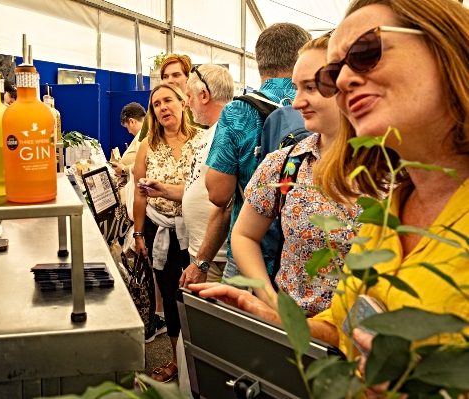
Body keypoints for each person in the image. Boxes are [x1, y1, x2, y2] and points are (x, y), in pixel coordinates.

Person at [192, 0, 469, 391]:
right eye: (333, 74)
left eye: (365, 53)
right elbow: (344, 331)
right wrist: (275, 316)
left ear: (446, 47)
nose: (340, 82)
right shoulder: (389, 211)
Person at [230, 33, 361, 316]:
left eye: (311, 88)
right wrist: (270, 301)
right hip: (294, 332)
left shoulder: (391, 168)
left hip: (364, 345)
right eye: (296, 88)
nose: (297, 102)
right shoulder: (287, 164)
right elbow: (243, 235)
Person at [205, 23, 311, 282]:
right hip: (301, 254)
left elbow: (218, 193)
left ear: (259, 60)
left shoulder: (238, 111)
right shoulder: (317, 101)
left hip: (250, 250)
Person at [139, 64, 235, 285]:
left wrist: (202, 261)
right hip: (204, 250)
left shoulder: (222, 135)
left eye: (189, 96)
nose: (188, 103)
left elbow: (223, 202)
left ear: (204, 95)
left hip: (216, 255)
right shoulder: (210, 135)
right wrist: (165, 190)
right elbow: (199, 190)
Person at [134, 83, 203, 382]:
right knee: (173, 298)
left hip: (196, 233)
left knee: (197, 297)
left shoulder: (202, 142)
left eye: (167, 101)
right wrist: (138, 235)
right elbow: (139, 195)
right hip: (159, 230)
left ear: (184, 103)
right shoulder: (148, 146)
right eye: (156, 104)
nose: (162, 108)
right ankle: (177, 362)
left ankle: (201, 364)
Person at [137, 54, 206, 142]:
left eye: (176, 75)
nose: (170, 80)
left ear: (188, 77)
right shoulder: (156, 111)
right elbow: (142, 146)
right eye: (165, 77)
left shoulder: (200, 107)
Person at [110, 102, 145, 177]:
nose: (129, 131)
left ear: (132, 122)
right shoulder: (144, 134)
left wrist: (123, 169)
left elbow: (144, 165)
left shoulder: (142, 136)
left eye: (127, 127)